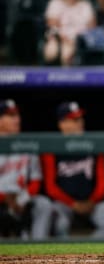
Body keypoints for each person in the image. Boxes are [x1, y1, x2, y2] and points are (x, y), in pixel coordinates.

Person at [41, 102, 104, 238]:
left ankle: (91, 255)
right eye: (74, 119)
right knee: (60, 224)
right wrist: (72, 204)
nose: (80, 123)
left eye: (80, 119)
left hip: (92, 203)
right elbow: (50, 187)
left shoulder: (95, 145)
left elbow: (103, 182)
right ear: (62, 124)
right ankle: (63, 258)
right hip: (64, 204)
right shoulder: (51, 148)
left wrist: (92, 201)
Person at [0, 99, 52, 240]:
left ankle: (38, 246)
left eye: (17, 115)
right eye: (10, 116)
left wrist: (22, 199)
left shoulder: (27, 144)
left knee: (44, 204)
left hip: (22, 197)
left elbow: (36, 179)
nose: (16, 119)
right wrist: (5, 199)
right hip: (2, 199)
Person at [43, 0, 96, 66]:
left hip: (81, 39)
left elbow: (92, 26)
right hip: (60, 37)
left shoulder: (85, 4)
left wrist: (79, 39)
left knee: (67, 53)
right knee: (52, 51)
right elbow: (52, 24)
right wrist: (63, 38)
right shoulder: (55, 2)